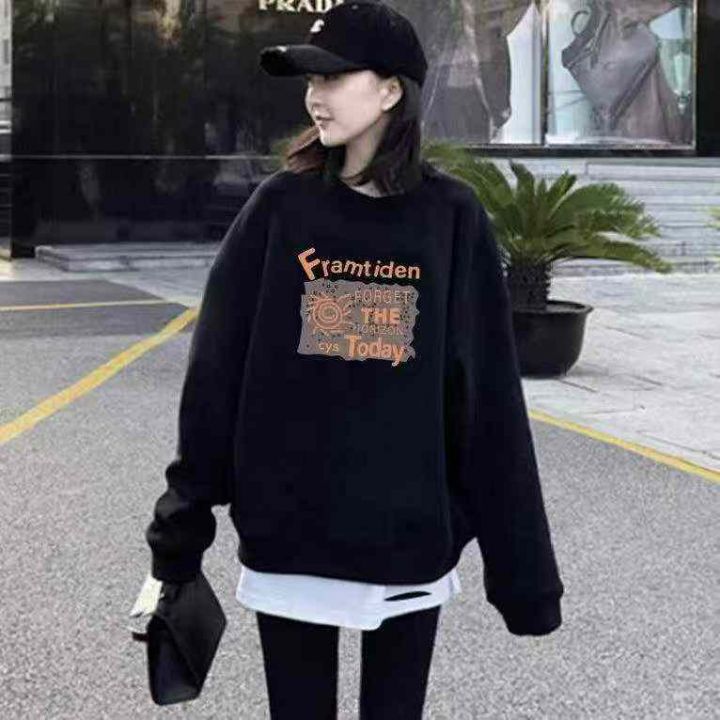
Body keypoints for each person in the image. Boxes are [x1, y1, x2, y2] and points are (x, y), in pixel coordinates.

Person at [143, 2, 565, 718]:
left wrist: (525, 576)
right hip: (291, 538)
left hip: (407, 545)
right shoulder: (279, 208)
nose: (316, 95)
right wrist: (178, 535)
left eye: (334, 77)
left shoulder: (450, 217)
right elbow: (215, 375)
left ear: (392, 90)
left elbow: (488, 398)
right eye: (310, 80)